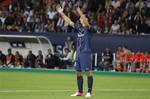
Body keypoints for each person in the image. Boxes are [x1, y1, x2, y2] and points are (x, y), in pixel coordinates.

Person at [56, 5, 93, 97]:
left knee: (88, 72)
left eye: (82, 18)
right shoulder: (79, 28)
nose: (80, 19)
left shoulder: (88, 28)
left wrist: (79, 12)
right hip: (79, 53)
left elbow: (84, 20)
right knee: (78, 72)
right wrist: (61, 13)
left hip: (86, 53)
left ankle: (89, 92)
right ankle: (80, 92)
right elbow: (69, 21)